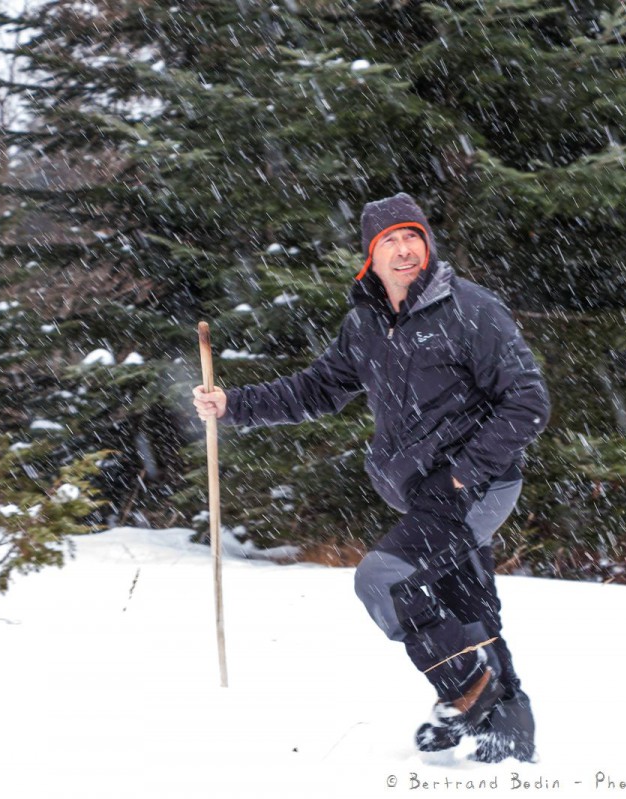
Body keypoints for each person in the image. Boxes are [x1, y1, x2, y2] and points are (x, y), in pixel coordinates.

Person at [193, 192, 549, 762]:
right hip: (424, 490)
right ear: (370, 257)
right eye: (390, 240)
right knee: (467, 603)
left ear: (428, 245)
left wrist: (463, 475)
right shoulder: (365, 324)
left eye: (413, 236)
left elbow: (527, 402)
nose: (405, 248)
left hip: (476, 485)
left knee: (384, 579)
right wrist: (234, 404)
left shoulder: (471, 309)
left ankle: (467, 688)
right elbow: (316, 389)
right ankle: (505, 736)